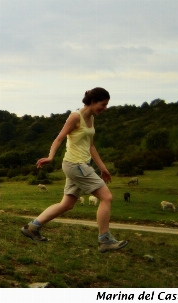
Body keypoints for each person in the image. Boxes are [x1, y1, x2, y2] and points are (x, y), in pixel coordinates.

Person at [20, 88, 128, 253]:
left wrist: (103, 168)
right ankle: (104, 240)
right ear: (92, 102)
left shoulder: (90, 118)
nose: (105, 108)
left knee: (67, 204)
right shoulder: (75, 117)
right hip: (75, 165)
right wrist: (50, 157)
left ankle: (32, 227)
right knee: (107, 197)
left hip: (79, 165)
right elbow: (59, 138)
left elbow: (91, 146)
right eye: (103, 104)